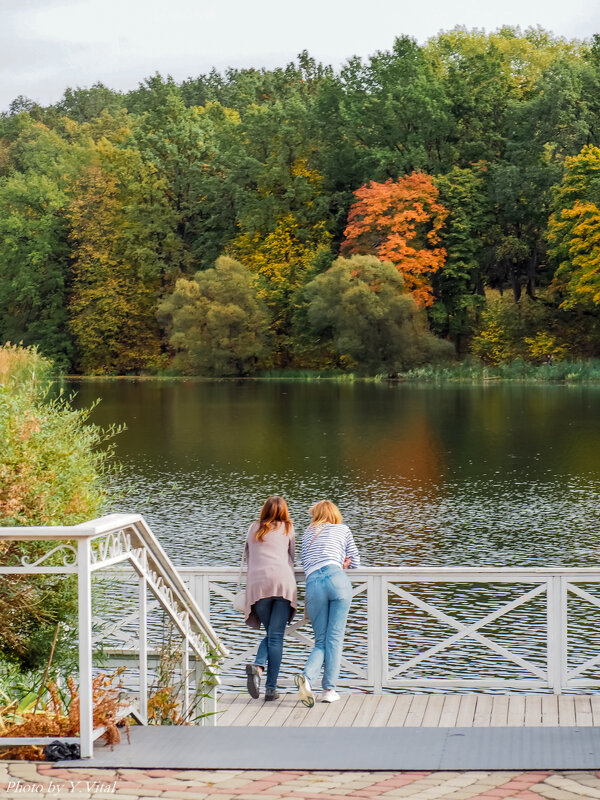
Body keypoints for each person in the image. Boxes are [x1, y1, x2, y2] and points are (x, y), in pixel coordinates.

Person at [295, 500, 360, 707]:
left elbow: (306, 562)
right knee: (335, 639)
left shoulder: (308, 532)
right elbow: (356, 562)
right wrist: (344, 564)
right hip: (336, 578)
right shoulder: (343, 529)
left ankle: (306, 678)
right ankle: (329, 690)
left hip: (314, 583)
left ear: (316, 515)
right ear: (335, 514)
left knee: (321, 640)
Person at [243, 496, 297, 701]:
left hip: (258, 586)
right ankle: (270, 688)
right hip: (282, 584)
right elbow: (291, 556)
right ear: (284, 512)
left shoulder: (253, 528)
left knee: (272, 635)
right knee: (275, 637)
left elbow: (248, 555)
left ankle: (258, 669)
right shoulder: (287, 528)